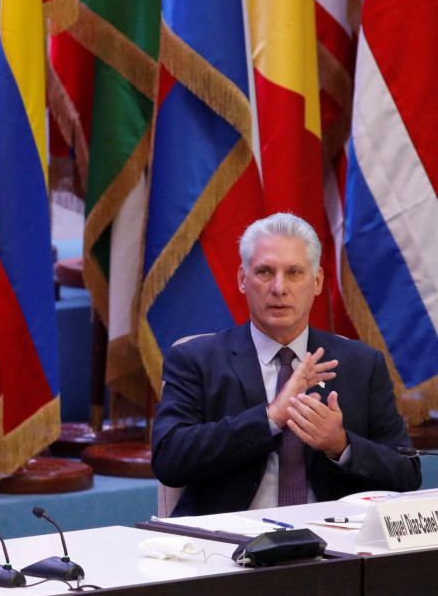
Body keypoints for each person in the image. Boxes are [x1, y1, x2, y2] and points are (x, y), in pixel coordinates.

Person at [151, 212, 420, 516]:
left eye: (294, 273)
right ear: (242, 279)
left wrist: (341, 445)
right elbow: (168, 459)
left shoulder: (362, 363)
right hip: (226, 541)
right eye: (265, 272)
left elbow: (407, 473)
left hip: (334, 542)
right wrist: (271, 418)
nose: (279, 288)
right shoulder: (196, 359)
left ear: (317, 282)